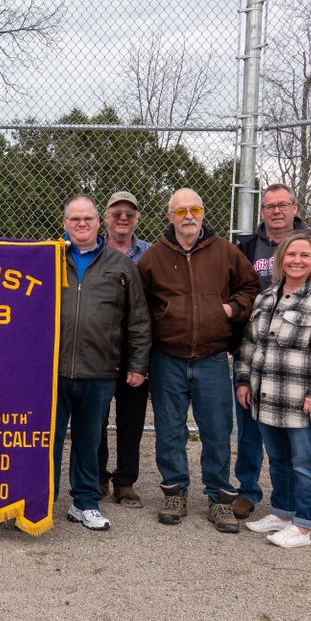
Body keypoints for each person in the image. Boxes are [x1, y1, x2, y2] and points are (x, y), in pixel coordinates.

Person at [137, 188, 259, 533]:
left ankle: (218, 498)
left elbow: (250, 287)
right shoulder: (153, 257)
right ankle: (175, 492)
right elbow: (140, 304)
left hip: (211, 357)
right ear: (169, 215)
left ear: (203, 213)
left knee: (217, 430)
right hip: (167, 358)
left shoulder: (225, 252)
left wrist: (231, 309)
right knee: (169, 430)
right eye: (181, 211)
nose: (188, 216)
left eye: (195, 209)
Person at [231, 184, 311, 521]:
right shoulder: (247, 253)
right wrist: (243, 376)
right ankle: (263, 501)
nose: (276, 211)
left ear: (295, 207)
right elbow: (246, 328)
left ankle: (303, 519)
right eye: (269, 206)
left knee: (303, 455)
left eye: (283, 205)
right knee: (263, 442)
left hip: (298, 376)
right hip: (260, 372)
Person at [55, 195, 151, 531]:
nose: (82, 224)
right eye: (75, 219)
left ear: (99, 222)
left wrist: (139, 363)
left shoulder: (120, 264)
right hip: (52, 371)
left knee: (88, 439)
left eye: (88, 218)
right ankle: (41, 499)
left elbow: (138, 318)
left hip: (98, 369)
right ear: (65, 223)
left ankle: (84, 502)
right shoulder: (51, 259)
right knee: (47, 439)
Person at [96, 190, 152, 508]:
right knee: (96, 418)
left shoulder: (151, 254)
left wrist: (142, 359)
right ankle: (98, 476)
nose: (123, 217)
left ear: (137, 219)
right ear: (105, 217)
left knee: (131, 420)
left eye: (129, 213)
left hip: (134, 348)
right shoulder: (92, 250)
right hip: (100, 349)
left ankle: (126, 482)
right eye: (116, 212)